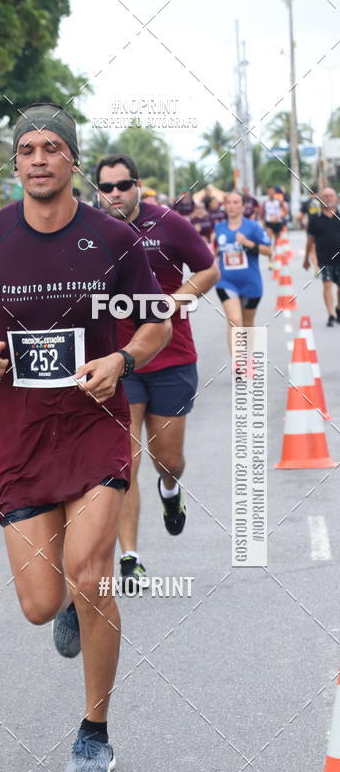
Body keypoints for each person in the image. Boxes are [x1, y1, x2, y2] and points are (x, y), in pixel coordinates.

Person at [0, 103, 171, 772]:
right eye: (27, 150)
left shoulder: (113, 238)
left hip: (93, 424)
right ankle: (70, 608)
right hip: (20, 433)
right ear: (14, 165)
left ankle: (94, 727)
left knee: (89, 573)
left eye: (52, 147)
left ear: (72, 160)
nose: (39, 159)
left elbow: (156, 322)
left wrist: (123, 363)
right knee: (41, 602)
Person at [96, 154, 219, 582]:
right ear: (98, 191)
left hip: (171, 357)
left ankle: (171, 490)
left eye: (123, 185)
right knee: (124, 463)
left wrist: (173, 301)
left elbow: (208, 269)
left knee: (167, 460)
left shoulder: (168, 223)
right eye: (107, 187)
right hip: (119, 360)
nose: (116, 194)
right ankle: (130, 558)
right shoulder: (90, 232)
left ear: (138, 186)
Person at [214, 191, 272, 353]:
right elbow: (216, 251)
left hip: (250, 282)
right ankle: (237, 366)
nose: (232, 206)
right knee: (234, 320)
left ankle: (247, 360)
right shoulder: (219, 228)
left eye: (236, 202)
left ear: (242, 206)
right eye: (229, 202)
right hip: (226, 281)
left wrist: (247, 242)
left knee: (247, 324)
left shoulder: (253, 227)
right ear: (225, 206)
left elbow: (269, 250)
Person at [304, 186, 340, 327]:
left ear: (336, 198)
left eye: (331, 195)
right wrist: (306, 258)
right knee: (327, 285)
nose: (329, 198)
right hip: (324, 258)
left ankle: (338, 308)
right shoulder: (315, 219)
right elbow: (310, 241)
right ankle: (331, 314)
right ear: (320, 199)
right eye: (325, 196)